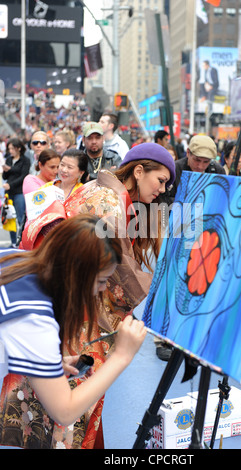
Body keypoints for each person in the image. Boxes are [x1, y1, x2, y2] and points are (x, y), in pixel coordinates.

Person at [18, 142, 175, 448]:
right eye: (161, 180)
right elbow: (116, 273)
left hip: (74, 305)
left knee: (70, 398)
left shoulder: (112, 195)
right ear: (139, 171)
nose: (162, 189)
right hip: (78, 311)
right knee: (74, 404)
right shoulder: (106, 200)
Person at [0, 214, 147, 435]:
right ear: (75, 273)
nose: (101, 289)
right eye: (100, 280)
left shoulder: (14, 259)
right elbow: (65, 411)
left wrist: (49, 362)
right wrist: (122, 356)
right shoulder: (36, 319)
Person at [163, 135, 225, 206]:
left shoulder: (218, 171)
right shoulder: (174, 170)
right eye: (197, 160)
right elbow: (164, 200)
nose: (200, 166)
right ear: (188, 153)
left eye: (206, 162)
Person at [2, 137, 31, 247]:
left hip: (19, 192)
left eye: (12, 149)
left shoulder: (25, 160)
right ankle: (13, 242)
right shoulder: (9, 159)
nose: (10, 151)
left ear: (18, 148)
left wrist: (10, 170)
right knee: (10, 218)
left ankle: (22, 242)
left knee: (20, 218)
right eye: (9, 149)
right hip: (8, 193)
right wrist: (5, 169)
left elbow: (23, 176)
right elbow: (6, 176)